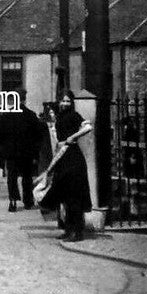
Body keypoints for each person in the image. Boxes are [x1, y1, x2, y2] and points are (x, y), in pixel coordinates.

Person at [40, 90, 92, 241]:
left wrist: (72, 137)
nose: (65, 104)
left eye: (68, 101)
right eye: (63, 101)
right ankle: (68, 229)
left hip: (73, 159)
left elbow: (88, 127)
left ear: (72, 103)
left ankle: (77, 231)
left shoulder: (74, 116)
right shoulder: (60, 116)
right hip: (63, 159)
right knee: (65, 197)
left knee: (74, 196)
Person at [0, 89, 43, 212]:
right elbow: (37, 136)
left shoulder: (5, 116)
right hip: (26, 152)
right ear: (24, 99)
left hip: (11, 153)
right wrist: (35, 153)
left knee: (12, 176)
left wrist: (2, 152)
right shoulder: (31, 115)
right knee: (27, 176)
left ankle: (13, 200)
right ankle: (28, 201)